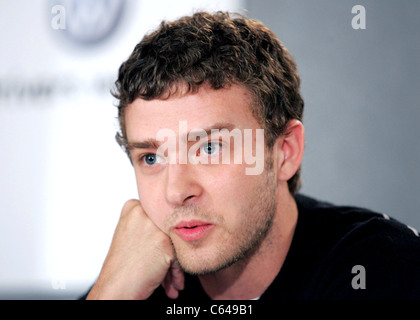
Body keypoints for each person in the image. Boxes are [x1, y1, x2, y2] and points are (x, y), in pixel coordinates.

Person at [85, 11, 420, 300]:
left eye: (210, 148)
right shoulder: (136, 283)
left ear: (285, 152)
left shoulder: (375, 264)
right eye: (152, 158)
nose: (175, 192)